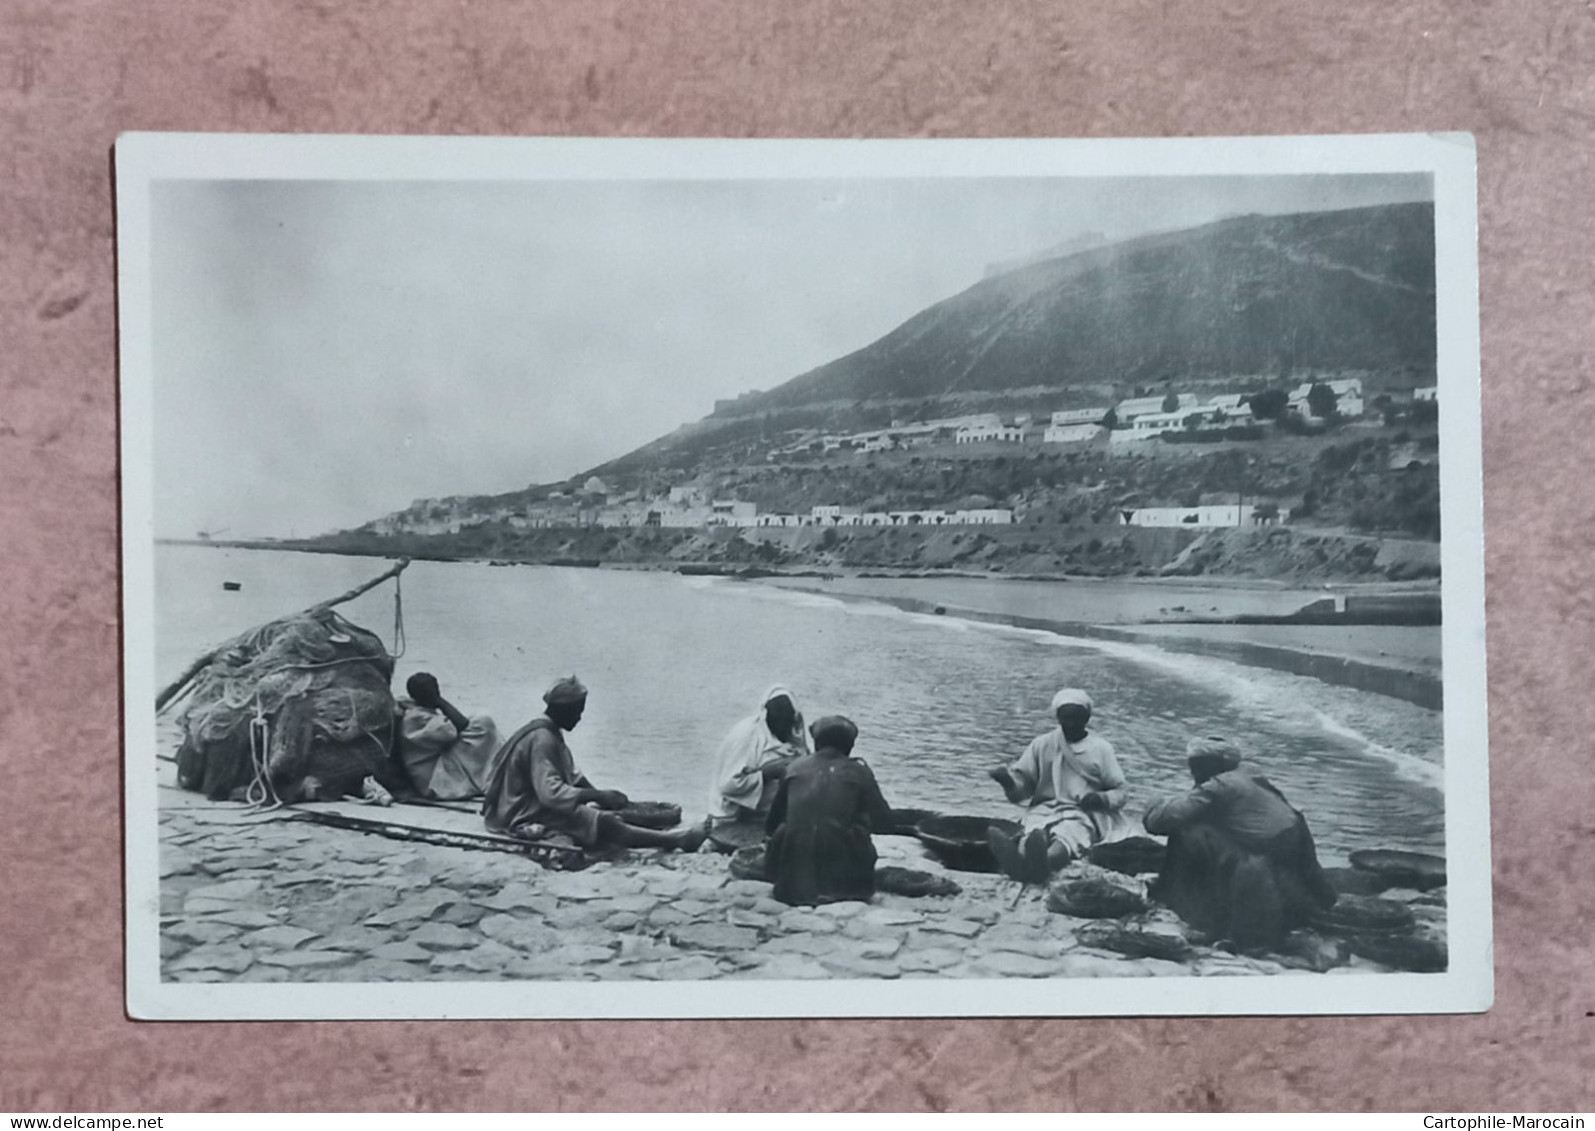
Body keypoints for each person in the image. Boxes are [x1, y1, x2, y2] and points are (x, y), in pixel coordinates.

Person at [1143, 736, 1338, 951]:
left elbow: (1158, 822)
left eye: (1195, 765)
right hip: (1293, 846)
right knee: (1202, 825)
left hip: (1268, 850)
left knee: (1187, 832)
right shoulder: (1251, 776)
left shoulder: (1220, 786)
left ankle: (1178, 900)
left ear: (1211, 765)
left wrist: (1154, 802)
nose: (1192, 771)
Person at [481, 676, 707, 852]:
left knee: (603, 812)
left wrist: (601, 795)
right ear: (563, 710)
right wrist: (597, 797)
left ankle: (660, 835)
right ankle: (674, 840)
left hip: (522, 802)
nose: (579, 718)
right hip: (520, 811)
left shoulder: (548, 731)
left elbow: (572, 775)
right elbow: (551, 793)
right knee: (602, 821)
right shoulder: (543, 738)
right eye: (577, 711)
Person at [987, 687, 1133, 883]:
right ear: (1058, 717)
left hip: (1081, 812)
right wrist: (1008, 782)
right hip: (1044, 808)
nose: (1071, 724)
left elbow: (1121, 791)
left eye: (1076, 718)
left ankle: (1044, 863)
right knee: (1033, 831)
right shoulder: (1042, 744)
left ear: (1087, 718)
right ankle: (1020, 860)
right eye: (1066, 718)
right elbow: (1024, 787)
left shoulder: (1101, 749)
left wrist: (1101, 798)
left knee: (1068, 835)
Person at [764, 715, 894, 907]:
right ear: (849, 746)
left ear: (817, 743)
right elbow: (884, 823)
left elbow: (771, 824)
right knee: (857, 829)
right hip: (844, 888)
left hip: (790, 888)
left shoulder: (793, 767)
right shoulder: (859, 771)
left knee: (785, 829)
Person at [708, 684, 810, 823]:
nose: (782, 726)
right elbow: (727, 786)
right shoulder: (746, 735)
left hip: (767, 812)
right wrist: (766, 772)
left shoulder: (791, 731)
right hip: (733, 814)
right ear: (766, 715)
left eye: (786, 720)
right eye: (777, 719)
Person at [394, 672, 502, 800]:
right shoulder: (416, 718)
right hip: (436, 783)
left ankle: (493, 773)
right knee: (483, 724)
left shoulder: (417, 711)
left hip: (437, 772)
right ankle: (490, 776)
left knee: (480, 721)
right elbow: (459, 727)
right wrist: (439, 701)